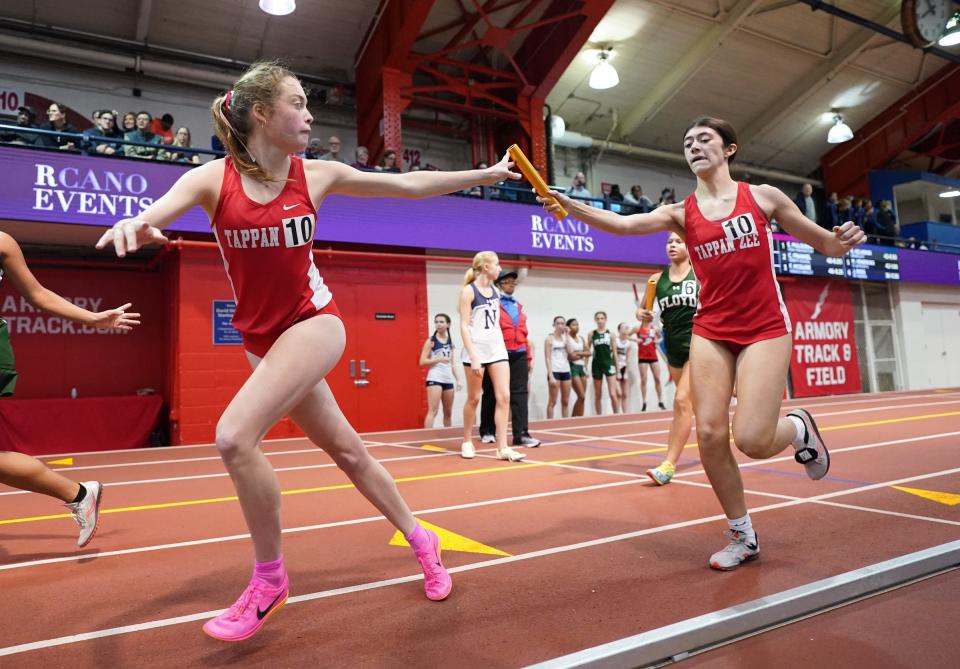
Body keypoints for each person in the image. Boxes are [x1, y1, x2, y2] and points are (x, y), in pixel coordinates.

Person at [97, 61, 520, 641]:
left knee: (233, 436)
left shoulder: (315, 175)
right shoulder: (210, 180)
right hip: (261, 341)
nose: (310, 113)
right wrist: (137, 223)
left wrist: (486, 173)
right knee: (349, 452)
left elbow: (408, 185)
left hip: (316, 324)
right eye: (298, 102)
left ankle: (269, 580)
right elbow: (153, 213)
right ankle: (424, 539)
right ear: (264, 114)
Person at [539, 116, 864, 570]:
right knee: (710, 433)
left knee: (751, 438)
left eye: (704, 139)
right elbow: (622, 224)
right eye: (687, 141)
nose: (693, 146)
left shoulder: (763, 197)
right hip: (711, 328)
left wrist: (842, 239)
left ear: (730, 148)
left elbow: (826, 246)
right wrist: (570, 205)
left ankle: (798, 429)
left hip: (765, 325)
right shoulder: (680, 213)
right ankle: (742, 534)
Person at [0, 231, 140, 546]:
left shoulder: (2, 243)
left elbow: (38, 294)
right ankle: (78, 494)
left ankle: (78, 494)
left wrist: (93, 319)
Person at [636, 232, 698, 485]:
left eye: (678, 241)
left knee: (682, 400)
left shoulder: (701, 274)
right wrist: (642, 314)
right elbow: (643, 311)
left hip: (699, 344)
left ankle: (668, 464)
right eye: (669, 242)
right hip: (672, 347)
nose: (672, 245)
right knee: (691, 407)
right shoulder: (655, 280)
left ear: (689, 245)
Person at [458, 253, 526, 462]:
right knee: (474, 398)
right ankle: (467, 440)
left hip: (496, 349)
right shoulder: (468, 292)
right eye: (497, 264)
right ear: (486, 267)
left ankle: (502, 447)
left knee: (504, 397)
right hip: (476, 350)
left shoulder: (496, 291)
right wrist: (473, 355)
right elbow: (463, 325)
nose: (500, 267)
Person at [477, 269, 539, 448]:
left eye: (514, 282)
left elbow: (523, 332)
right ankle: (488, 431)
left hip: (518, 352)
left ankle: (521, 434)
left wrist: (527, 356)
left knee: (520, 394)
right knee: (491, 393)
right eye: (508, 282)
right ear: (499, 284)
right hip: (496, 354)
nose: (512, 285)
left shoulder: (518, 305)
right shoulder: (492, 303)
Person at [419, 313, 462, 428]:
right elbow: (422, 361)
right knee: (433, 410)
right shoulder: (431, 341)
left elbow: (453, 363)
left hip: (448, 378)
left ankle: (446, 435)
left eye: (441, 322)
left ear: (448, 324)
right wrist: (438, 359)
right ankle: (427, 437)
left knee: (448, 412)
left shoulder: (450, 342)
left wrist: (458, 380)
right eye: (436, 322)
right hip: (435, 377)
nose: (438, 324)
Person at [586, 311, 620, 414]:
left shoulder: (610, 334)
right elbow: (587, 351)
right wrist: (585, 366)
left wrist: (618, 369)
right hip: (596, 365)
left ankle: (617, 415)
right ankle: (599, 417)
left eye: (602, 318)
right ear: (595, 320)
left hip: (609, 364)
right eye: (598, 318)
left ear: (605, 319)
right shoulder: (592, 334)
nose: (600, 320)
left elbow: (615, 352)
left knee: (613, 394)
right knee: (598, 395)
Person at [629, 319, 665, 412]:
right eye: (646, 315)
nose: (648, 318)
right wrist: (635, 339)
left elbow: (661, 338)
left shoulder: (654, 328)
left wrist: (657, 341)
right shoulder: (637, 328)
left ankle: (660, 401)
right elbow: (627, 335)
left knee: (657, 378)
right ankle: (644, 402)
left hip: (653, 356)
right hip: (642, 357)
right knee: (644, 379)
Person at [544, 316, 573, 419]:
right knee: (553, 401)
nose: (560, 326)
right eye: (558, 323)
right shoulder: (549, 339)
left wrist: (568, 335)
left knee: (565, 401)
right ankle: (549, 423)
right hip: (555, 371)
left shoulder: (566, 338)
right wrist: (550, 375)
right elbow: (547, 358)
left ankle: (566, 421)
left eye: (562, 323)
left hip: (565, 370)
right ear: (554, 325)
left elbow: (570, 351)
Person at [566, 318, 588, 417]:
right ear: (569, 327)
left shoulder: (581, 338)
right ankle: (573, 418)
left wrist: (578, 353)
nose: (576, 327)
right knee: (581, 395)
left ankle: (580, 418)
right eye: (574, 325)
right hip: (573, 367)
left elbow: (589, 352)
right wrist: (582, 354)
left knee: (583, 398)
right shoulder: (567, 339)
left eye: (577, 324)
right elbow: (571, 356)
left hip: (581, 367)